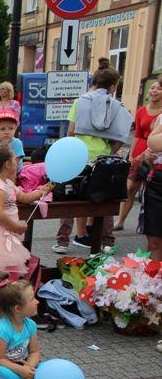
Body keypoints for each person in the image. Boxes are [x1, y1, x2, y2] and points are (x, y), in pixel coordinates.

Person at [0, 145, 51, 325]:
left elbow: (24, 197)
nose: (17, 162)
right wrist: (17, 226)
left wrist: (42, 191)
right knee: (9, 273)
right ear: (7, 164)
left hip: (5, 234)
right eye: (15, 160)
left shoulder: (7, 183)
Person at [54, 67, 132, 253]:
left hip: (78, 155)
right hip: (102, 159)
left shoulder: (80, 102)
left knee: (70, 197)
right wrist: (109, 151)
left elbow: (71, 131)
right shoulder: (116, 106)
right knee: (104, 199)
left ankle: (62, 241)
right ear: (113, 86)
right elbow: (121, 137)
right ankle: (107, 242)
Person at [0, 279, 42, 379]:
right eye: (32, 299)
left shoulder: (31, 325)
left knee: (46, 366)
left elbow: (34, 352)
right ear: (18, 308)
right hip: (0, 367)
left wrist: (30, 367)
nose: (37, 301)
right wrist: (20, 370)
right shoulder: (3, 329)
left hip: (21, 364)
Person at [118, 76, 161, 228]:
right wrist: (131, 155)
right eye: (152, 88)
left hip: (154, 154)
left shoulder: (161, 115)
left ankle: (146, 222)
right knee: (129, 187)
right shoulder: (142, 110)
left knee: (148, 190)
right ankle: (120, 221)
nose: (153, 91)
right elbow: (136, 134)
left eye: (158, 88)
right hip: (138, 151)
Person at [143, 117, 162, 260]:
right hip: (157, 180)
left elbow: (154, 141)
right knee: (154, 241)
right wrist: (148, 156)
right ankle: (152, 280)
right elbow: (152, 147)